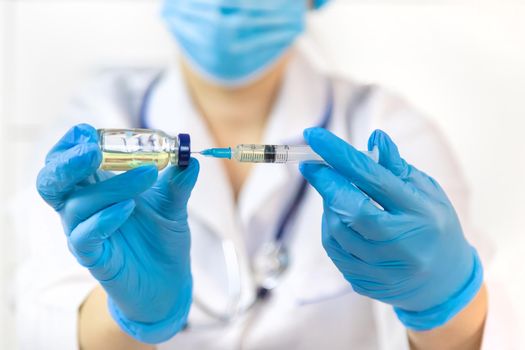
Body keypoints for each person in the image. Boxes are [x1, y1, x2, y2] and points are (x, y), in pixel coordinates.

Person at [15, 0, 502, 349]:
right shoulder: (97, 118)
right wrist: (131, 319)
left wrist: (445, 300)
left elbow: (493, 332)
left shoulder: (387, 128)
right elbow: (41, 326)